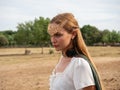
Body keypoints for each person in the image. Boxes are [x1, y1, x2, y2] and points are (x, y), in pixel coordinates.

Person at [47, 13, 104, 90]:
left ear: (73, 34)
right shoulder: (63, 58)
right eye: (52, 35)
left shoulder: (79, 64)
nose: (53, 40)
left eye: (58, 35)